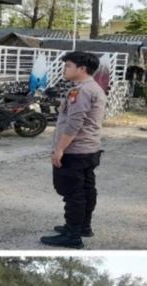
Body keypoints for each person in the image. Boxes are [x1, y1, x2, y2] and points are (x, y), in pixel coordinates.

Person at [41, 51, 108, 249]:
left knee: (73, 193)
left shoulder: (81, 91)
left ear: (82, 69)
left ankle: (72, 235)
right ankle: (82, 226)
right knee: (86, 190)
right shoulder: (93, 87)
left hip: (76, 151)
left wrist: (59, 149)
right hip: (89, 149)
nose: (64, 68)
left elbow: (74, 123)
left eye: (68, 65)